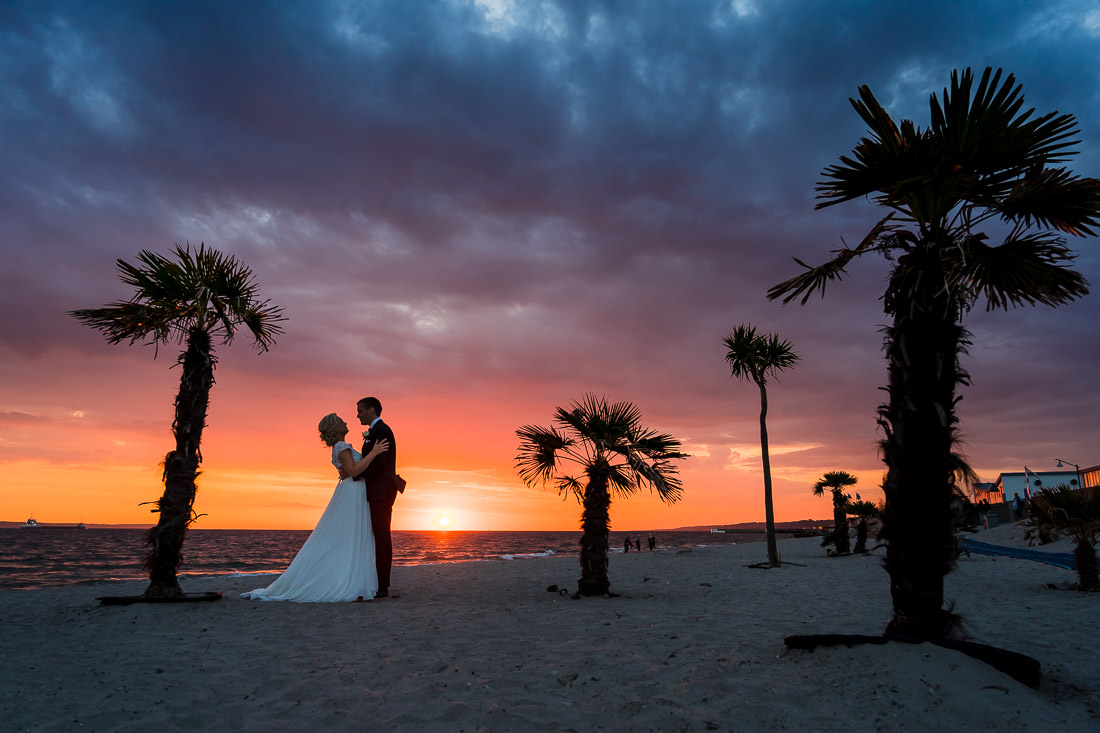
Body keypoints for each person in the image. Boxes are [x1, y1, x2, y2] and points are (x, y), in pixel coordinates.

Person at [243, 414, 389, 602]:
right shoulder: (341, 447)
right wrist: (374, 452)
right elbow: (353, 471)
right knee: (350, 536)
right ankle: (346, 580)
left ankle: (354, 579)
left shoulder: (342, 446)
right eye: (340, 421)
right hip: (353, 492)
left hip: (356, 491)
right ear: (334, 429)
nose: (345, 422)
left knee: (351, 536)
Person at [356, 396, 400, 599]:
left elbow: (380, 464)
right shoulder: (375, 431)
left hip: (382, 491)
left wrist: (357, 473)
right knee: (378, 536)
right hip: (377, 491)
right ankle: (378, 582)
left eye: (361, 411)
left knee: (382, 538)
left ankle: (383, 586)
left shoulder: (381, 430)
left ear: (372, 410)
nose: (358, 415)